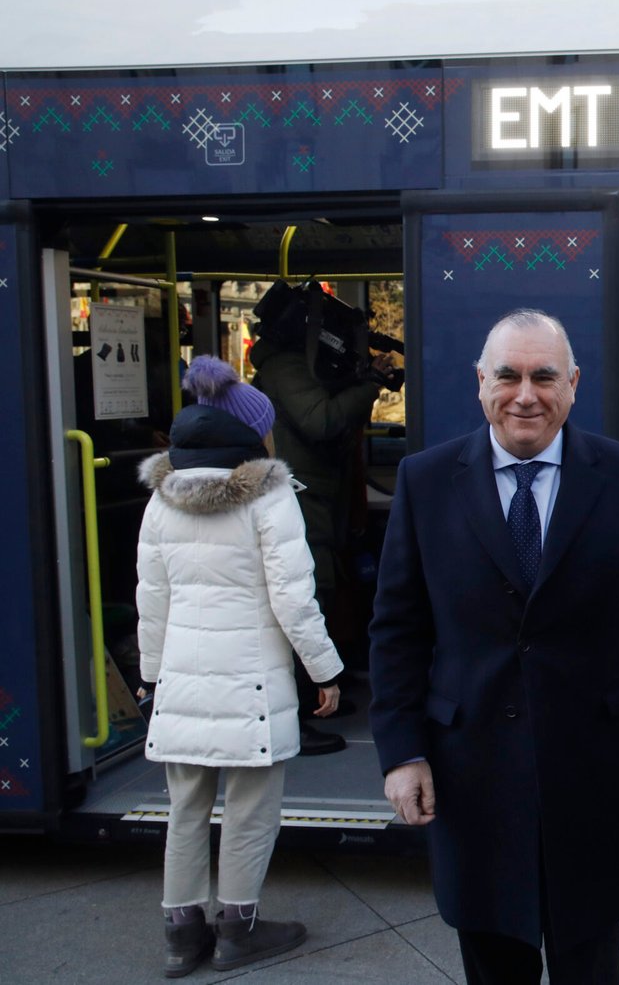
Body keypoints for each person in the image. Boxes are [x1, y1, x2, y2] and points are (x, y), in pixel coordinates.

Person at [367, 309, 619, 985]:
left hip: (591, 766)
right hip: (467, 768)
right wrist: (402, 750)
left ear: (573, 384)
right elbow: (397, 627)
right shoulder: (425, 480)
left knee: (590, 957)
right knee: (493, 958)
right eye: (508, 375)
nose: (525, 393)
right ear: (481, 383)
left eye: (544, 376)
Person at [134, 355, 343, 977]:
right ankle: (238, 929)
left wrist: (152, 676)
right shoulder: (269, 498)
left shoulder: (160, 499)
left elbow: (152, 599)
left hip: (181, 680)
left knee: (186, 808)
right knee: (252, 809)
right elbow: (293, 598)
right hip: (252, 682)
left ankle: (181, 932)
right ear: (252, 433)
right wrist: (324, 671)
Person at [251, 290, 398, 755]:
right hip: (299, 501)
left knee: (320, 595)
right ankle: (294, 717)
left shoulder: (294, 366)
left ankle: (314, 700)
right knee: (304, 600)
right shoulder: (284, 368)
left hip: (314, 500)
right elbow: (321, 420)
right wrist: (369, 383)